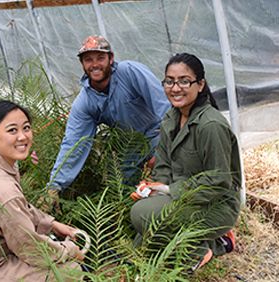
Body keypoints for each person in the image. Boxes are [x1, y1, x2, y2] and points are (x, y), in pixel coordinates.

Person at [0, 100, 84, 281]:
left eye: (26, 128)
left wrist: (52, 224)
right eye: (12, 130)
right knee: (71, 270)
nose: (23, 137)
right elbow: (31, 249)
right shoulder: (1, 187)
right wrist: (70, 250)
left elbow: (20, 207)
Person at [130, 53, 241, 271]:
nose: (175, 88)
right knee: (141, 243)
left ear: (200, 85)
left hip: (215, 205)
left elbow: (218, 181)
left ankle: (200, 251)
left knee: (141, 215)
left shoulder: (211, 126)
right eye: (169, 81)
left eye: (184, 81)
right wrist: (155, 189)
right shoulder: (171, 117)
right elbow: (162, 163)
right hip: (184, 198)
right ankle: (214, 242)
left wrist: (169, 189)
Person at [44, 35, 171, 203]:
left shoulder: (130, 72)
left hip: (157, 134)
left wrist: (164, 150)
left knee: (164, 180)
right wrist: (54, 186)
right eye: (88, 60)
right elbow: (74, 144)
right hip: (129, 147)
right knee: (118, 190)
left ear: (111, 59)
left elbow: (166, 107)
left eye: (100, 58)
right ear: (82, 64)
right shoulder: (85, 102)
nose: (94, 64)